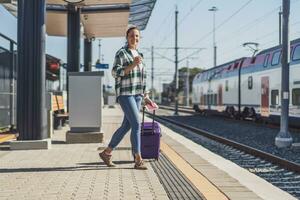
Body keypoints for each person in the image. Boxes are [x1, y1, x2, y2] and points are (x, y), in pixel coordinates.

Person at [99, 26, 149, 170]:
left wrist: (145, 95)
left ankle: (107, 153)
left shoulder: (140, 54)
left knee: (126, 126)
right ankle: (138, 159)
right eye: (132, 36)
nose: (135, 38)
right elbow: (115, 72)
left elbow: (142, 78)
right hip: (125, 93)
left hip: (137, 94)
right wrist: (132, 65)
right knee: (137, 124)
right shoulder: (121, 53)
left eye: (137, 36)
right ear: (127, 38)